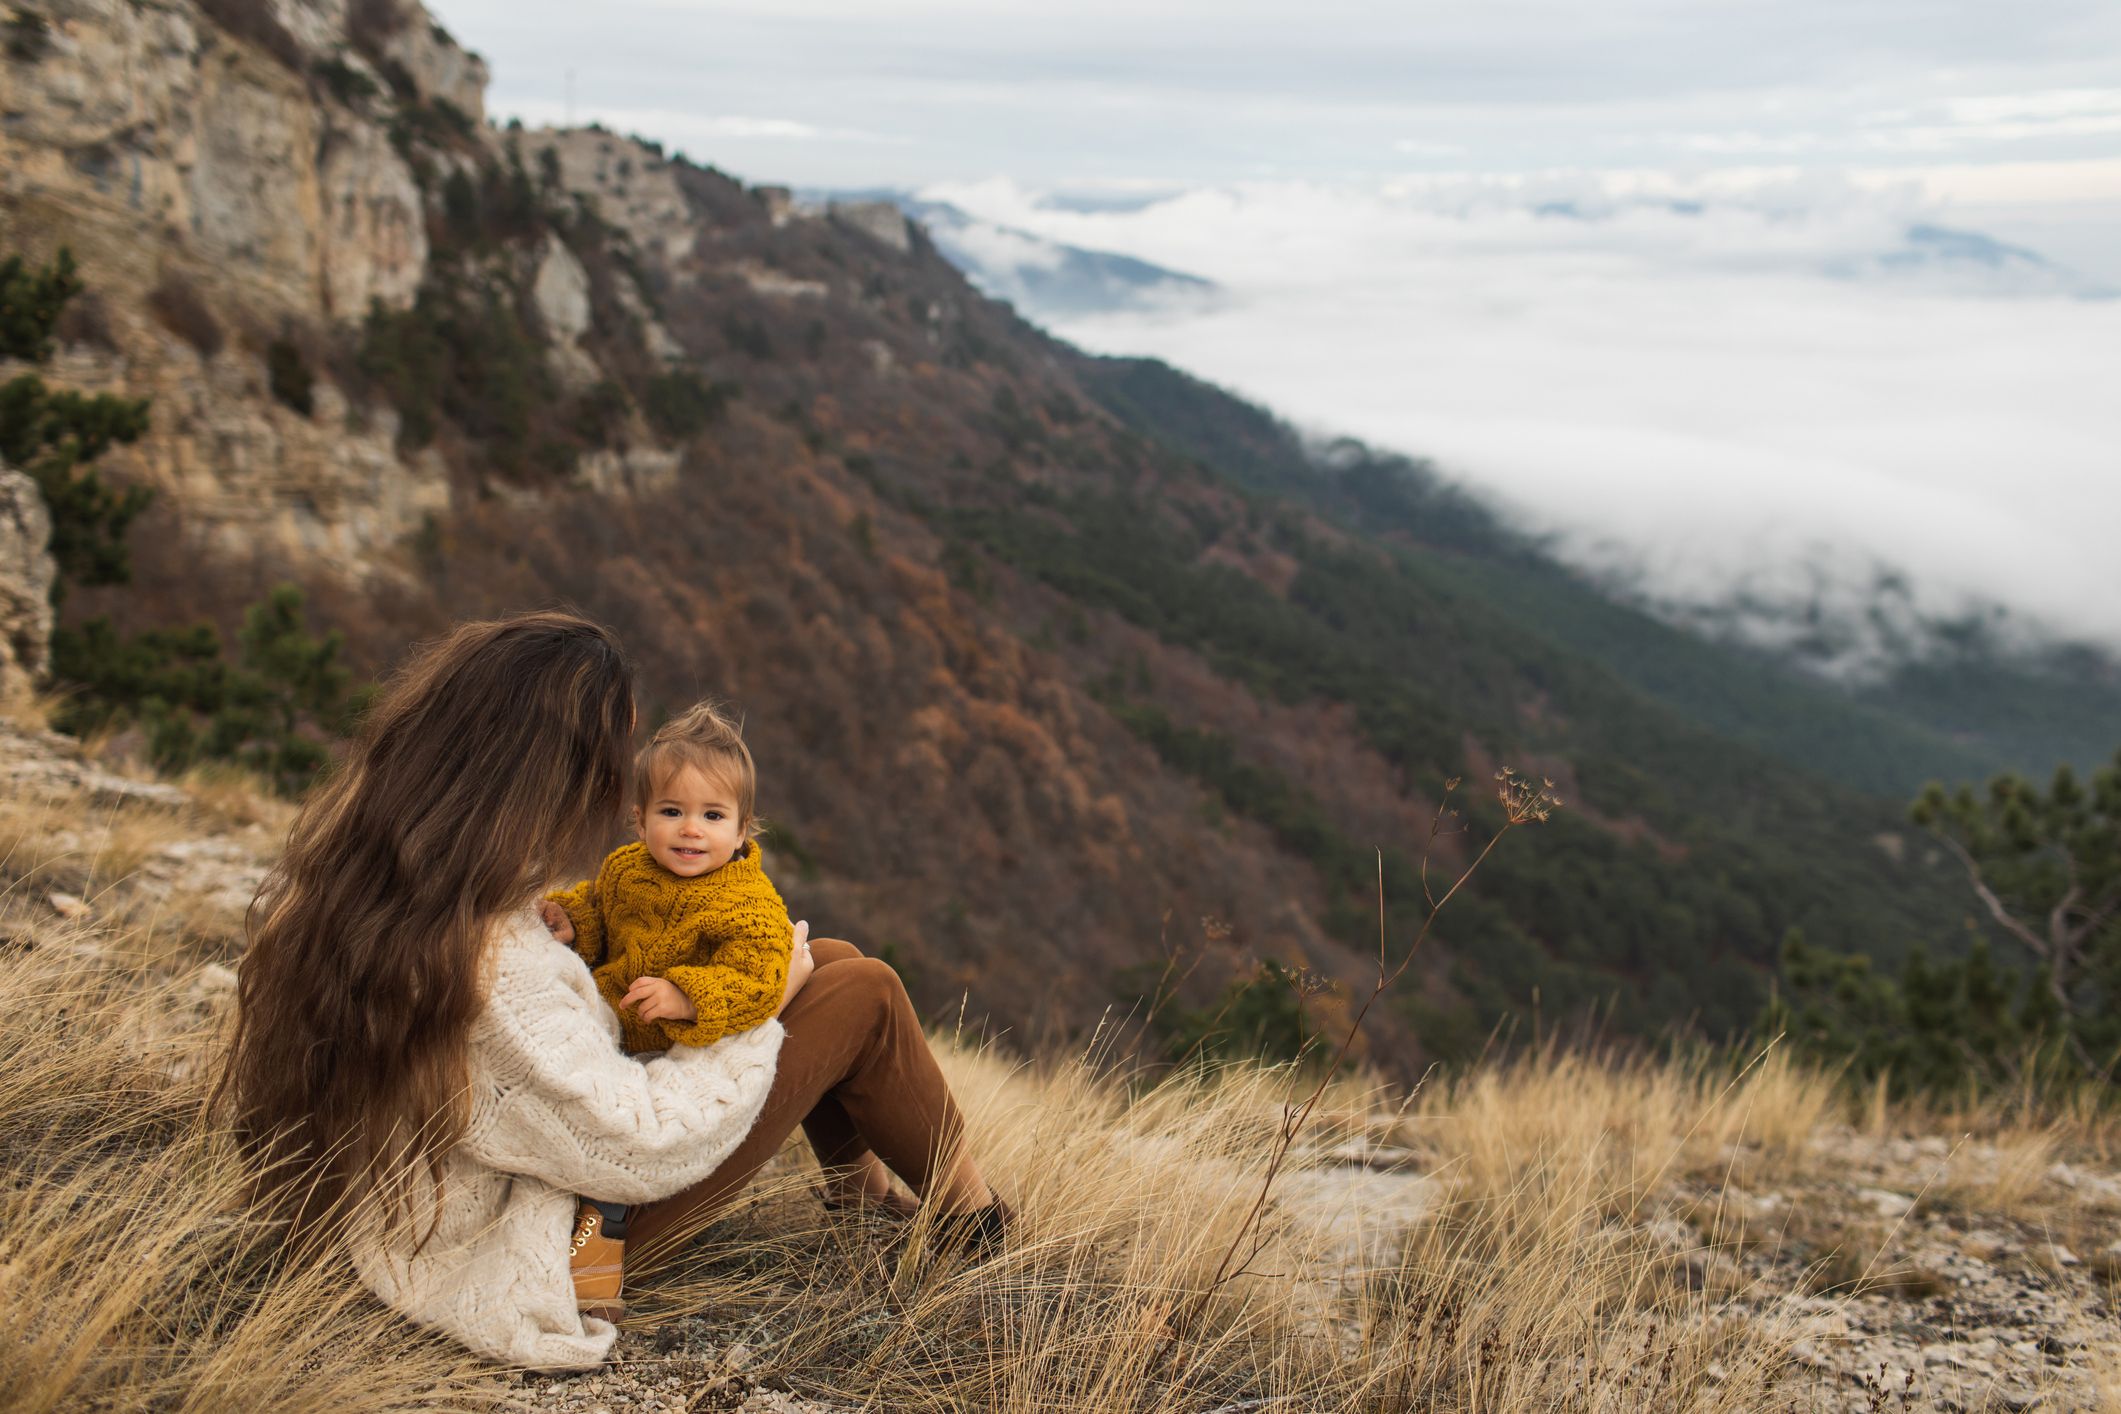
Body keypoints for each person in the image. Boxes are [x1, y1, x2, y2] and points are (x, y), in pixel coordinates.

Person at [218, 611, 1004, 1371]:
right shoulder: (488, 963)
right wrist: (758, 1019)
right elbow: (632, 1144)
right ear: (547, 771)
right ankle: (978, 1227)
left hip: (498, 1182)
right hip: (570, 1228)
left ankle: (863, 1200)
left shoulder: (403, 881)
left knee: (830, 958)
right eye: (607, 762)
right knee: (860, 989)